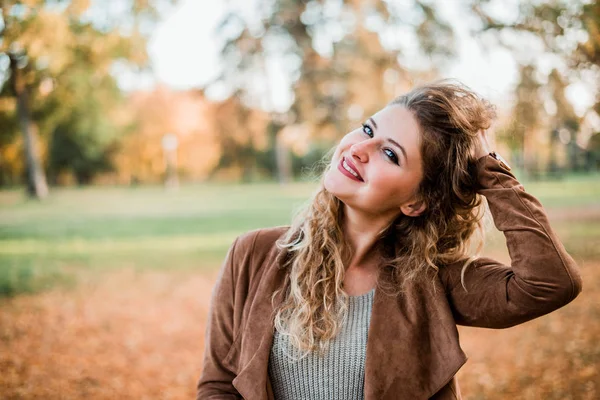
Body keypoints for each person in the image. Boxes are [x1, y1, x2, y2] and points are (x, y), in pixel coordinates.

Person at [197, 81, 583, 400]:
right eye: (368, 130)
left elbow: (550, 282)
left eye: (389, 154)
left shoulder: (434, 280)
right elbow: (218, 385)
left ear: (417, 202)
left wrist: (490, 171)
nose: (359, 149)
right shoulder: (253, 254)